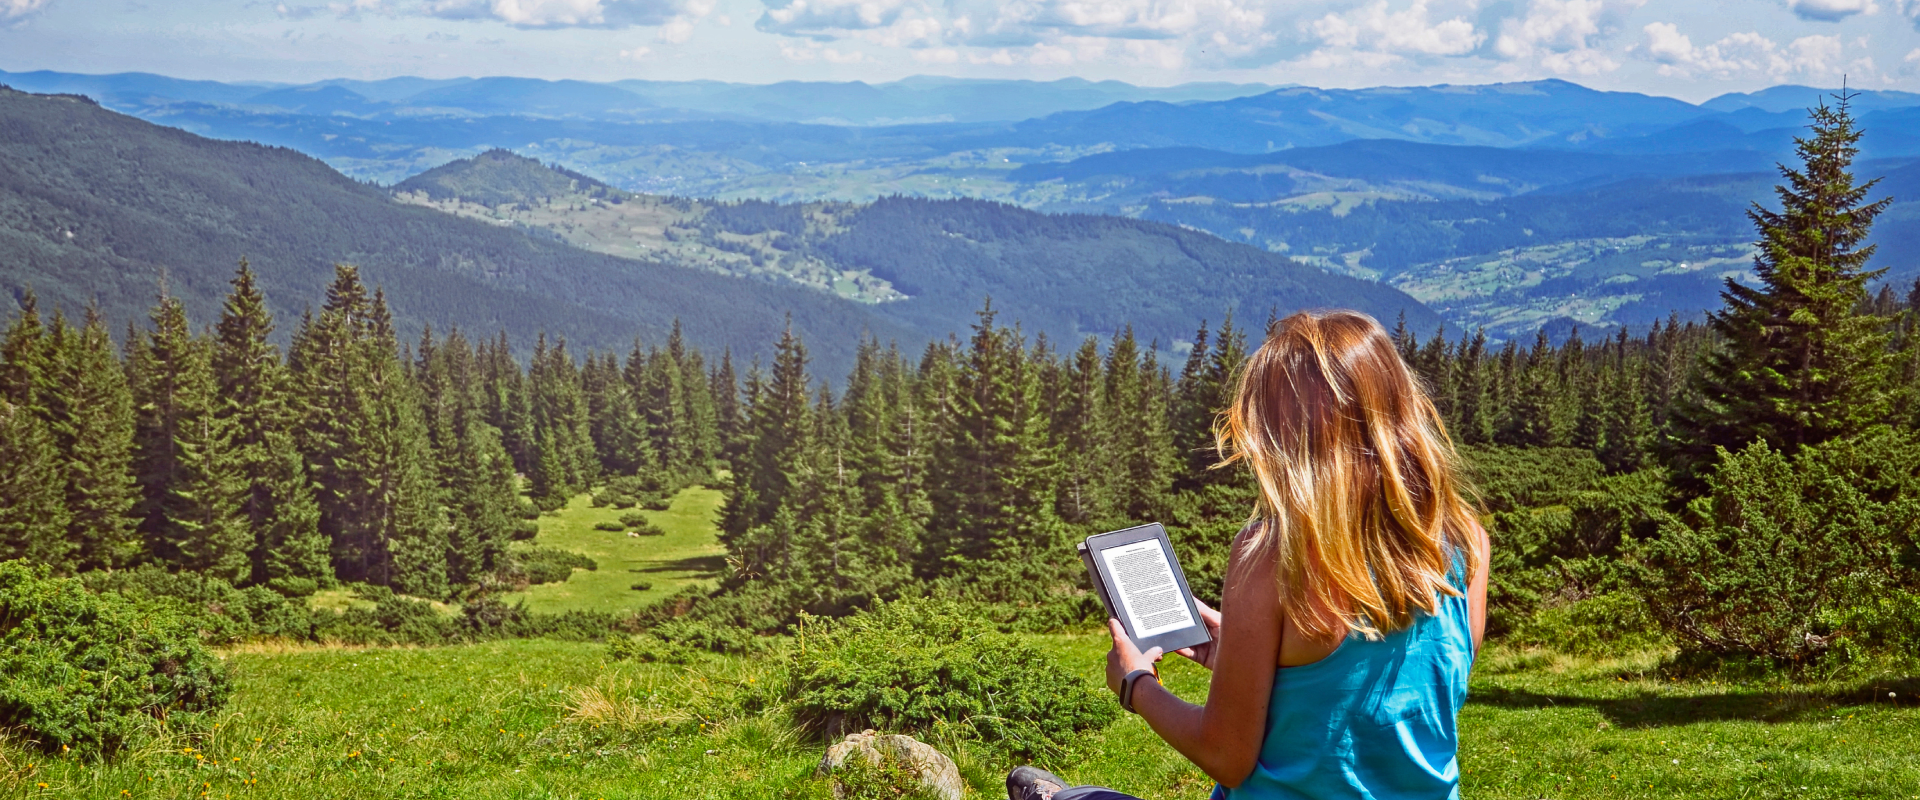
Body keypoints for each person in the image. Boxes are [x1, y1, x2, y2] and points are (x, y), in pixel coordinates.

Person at [1009, 310, 1489, 800]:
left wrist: (1135, 685)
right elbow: (1405, 694)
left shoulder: (1274, 554)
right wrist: (1247, 659)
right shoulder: (1465, 540)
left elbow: (1227, 757)